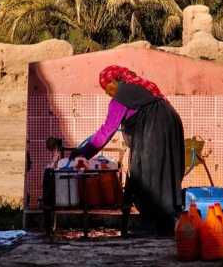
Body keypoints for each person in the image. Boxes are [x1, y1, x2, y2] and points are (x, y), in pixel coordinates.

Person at [69, 65, 185, 235]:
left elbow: (106, 132)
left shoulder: (121, 97)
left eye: (107, 87)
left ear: (116, 81)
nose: (107, 93)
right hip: (171, 123)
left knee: (147, 174)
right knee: (164, 173)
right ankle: (166, 223)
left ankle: (154, 225)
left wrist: (80, 153)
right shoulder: (141, 87)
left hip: (156, 128)